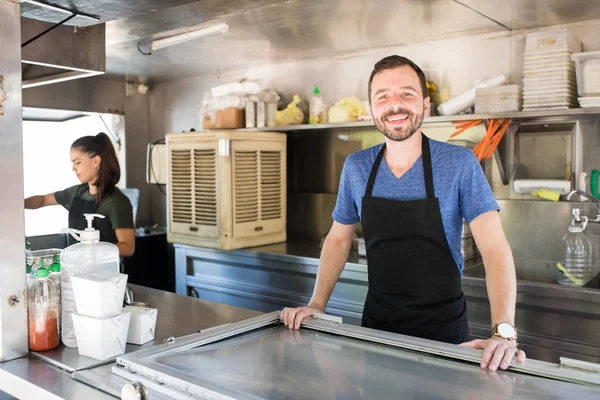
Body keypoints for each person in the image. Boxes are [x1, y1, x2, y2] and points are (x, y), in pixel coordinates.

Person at [282, 55, 526, 372]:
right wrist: (316, 304)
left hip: (445, 338)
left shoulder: (459, 164)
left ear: (425, 104)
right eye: (383, 96)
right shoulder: (356, 168)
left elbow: (494, 249)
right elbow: (338, 240)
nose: (395, 104)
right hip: (376, 334)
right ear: (371, 110)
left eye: (406, 93)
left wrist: (503, 331)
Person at [25, 132, 135, 257]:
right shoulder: (77, 192)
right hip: (77, 267)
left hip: (103, 272)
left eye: (77, 162)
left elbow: (128, 247)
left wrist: (93, 251)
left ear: (96, 161)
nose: (73, 168)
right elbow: (43, 200)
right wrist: (18, 204)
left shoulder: (116, 201)